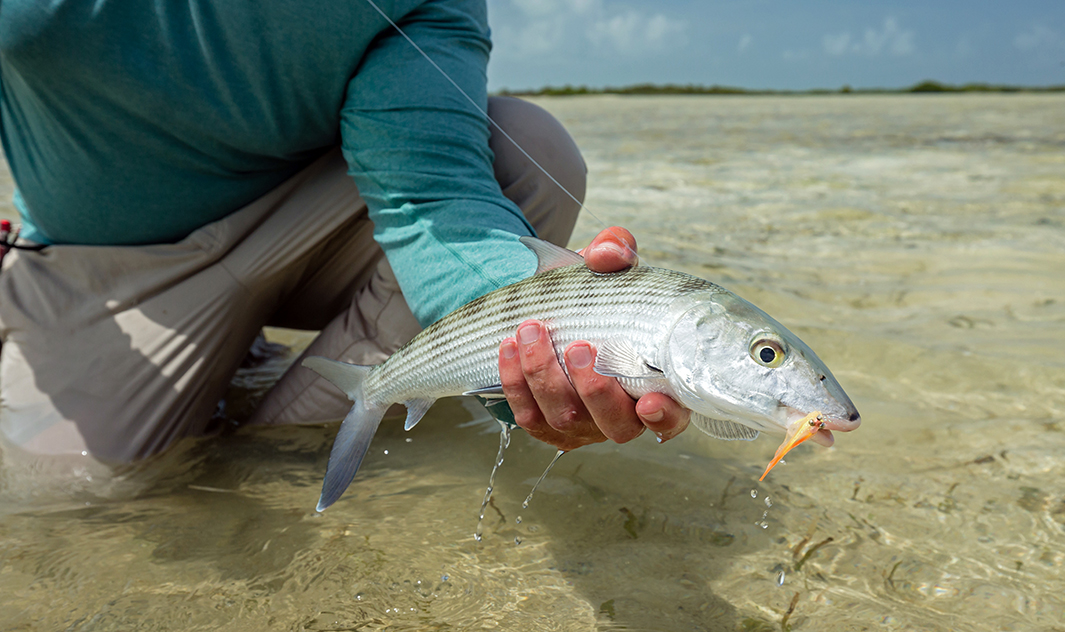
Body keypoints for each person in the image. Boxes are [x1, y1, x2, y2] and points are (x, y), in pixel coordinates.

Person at [0, 0, 688, 463]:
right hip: (100, 264)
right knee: (81, 498)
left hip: (308, 230)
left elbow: (432, 199)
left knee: (527, 148)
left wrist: (552, 343)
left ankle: (290, 453)